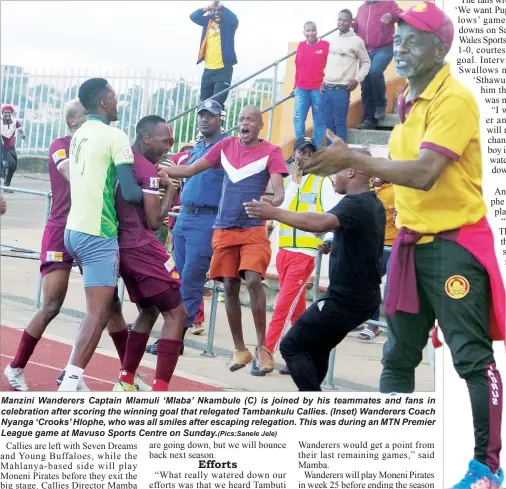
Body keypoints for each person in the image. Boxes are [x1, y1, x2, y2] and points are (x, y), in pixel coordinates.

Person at [302, 3, 504, 486]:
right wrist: (346, 162)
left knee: (471, 358)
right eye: (397, 37)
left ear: (441, 46)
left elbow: (424, 174)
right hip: (411, 247)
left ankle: (487, 469)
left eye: (413, 38)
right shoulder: (407, 102)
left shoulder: (453, 99)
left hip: (453, 246)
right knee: (397, 359)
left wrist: (358, 160)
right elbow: (399, 171)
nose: (400, 45)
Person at [163, 105, 288, 376]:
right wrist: (154, 171)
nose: (245, 123)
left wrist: (272, 203)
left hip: (253, 229)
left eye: (250, 120)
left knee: (253, 280)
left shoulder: (271, 152)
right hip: (223, 229)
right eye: (242, 119)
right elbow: (191, 170)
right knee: (229, 286)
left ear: (259, 126)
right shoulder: (226, 146)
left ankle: (263, 348)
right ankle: (239, 348)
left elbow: (279, 193)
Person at [245, 160, 385, 390]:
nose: (333, 177)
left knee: (291, 346)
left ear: (350, 171)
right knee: (316, 348)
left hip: (346, 300)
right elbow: (342, 228)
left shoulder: (356, 203)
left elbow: (321, 222)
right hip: (356, 298)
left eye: (337, 170)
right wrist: (332, 242)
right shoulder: (370, 202)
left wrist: (274, 213)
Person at [58, 78, 144, 392]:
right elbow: (133, 192)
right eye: (115, 96)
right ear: (105, 101)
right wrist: (162, 187)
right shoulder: (114, 136)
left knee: (110, 309)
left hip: (74, 230)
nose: (118, 101)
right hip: (99, 233)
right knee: (97, 313)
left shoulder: (79, 133)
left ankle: (126, 377)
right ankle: (69, 382)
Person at [113, 116, 187, 392]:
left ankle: (126, 380)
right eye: (165, 140)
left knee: (149, 310)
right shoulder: (148, 170)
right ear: (146, 138)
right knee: (177, 314)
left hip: (121, 248)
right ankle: (160, 391)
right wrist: (171, 189)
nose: (169, 146)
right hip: (142, 247)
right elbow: (155, 221)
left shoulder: (123, 160)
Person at [146, 100, 226, 356]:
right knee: (175, 277)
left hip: (206, 218)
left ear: (220, 119)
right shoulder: (200, 146)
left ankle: (174, 338)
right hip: (186, 216)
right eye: (202, 116)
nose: (204, 120)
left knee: (190, 280)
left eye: (210, 116)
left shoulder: (225, 146)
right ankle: (171, 334)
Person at [266, 136, 339, 375]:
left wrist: (327, 240)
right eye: (301, 152)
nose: (305, 157)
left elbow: (332, 213)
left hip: (305, 254)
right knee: (296, 312)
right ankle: (301, 356)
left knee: (282, 307)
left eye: (310, 153)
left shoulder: (323, 182)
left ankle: (266, 354)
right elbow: (283, 209)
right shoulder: (292, 183)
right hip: (285, 251)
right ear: (294, 155)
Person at [357, 176, 397, 341]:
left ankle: (374, 325)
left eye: (379, 174)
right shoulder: (372, 191)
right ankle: (361, 320)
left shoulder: (395, 191)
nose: (375, 177)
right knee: (365, 283)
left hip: (390, 246)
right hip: (373, 244)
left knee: (375, 284)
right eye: (373, 174)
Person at [353, 0, 402, 129]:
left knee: (374, 71)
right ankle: (369, 120)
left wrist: (392, 16)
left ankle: (381, 104)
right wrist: (353, 26)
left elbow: (401, 15)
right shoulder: (361, 8)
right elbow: (357, 27)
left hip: (384, 47)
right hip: (365, 50)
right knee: (365, 82)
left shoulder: (389, 3)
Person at [323, 9, 370, 143]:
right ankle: (330, 157)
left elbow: (366, 62)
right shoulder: (333, 39)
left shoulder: (356, 41)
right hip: (327, 88)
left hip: (342, 89)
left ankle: (340, 159)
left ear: (351, 22)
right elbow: (328, 62)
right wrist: (322, 80)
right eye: (339, 19)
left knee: (339, 124)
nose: (341, 22)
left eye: (345, 20)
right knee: (328, 125)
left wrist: (357, 79)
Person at [191, 1, 239, 106]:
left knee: (216, 104)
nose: (217, 13)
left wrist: (223, 7)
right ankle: (202, 123)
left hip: (223, 70)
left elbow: (235, 19)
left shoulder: (228, 26)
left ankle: (219, 122)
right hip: (208, 70)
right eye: (214, 11)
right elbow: (193, 16)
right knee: (204, 103)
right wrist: (208, 7)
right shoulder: (208, 22)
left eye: (219, 11)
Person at [293, 21, 329, 149]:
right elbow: (298, 66)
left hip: (318, 89)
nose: (310, 33)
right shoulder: (301, 45)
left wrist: (326, 81)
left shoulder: (325, 45)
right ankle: (301, 147)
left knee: (318, 121)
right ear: (304, 32)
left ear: (317, 31)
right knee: (298, 120)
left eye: (313, 30)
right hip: (301, 88)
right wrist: (295, 86)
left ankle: (316, 149)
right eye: (307, 30)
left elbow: (331, 66)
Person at [1, 104, 26, 189]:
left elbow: (19, 128)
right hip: (3, 147)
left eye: (9, 112)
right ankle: (6, 185)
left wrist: (22, 134)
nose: (7, 114)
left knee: (14, 166)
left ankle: (3, 173)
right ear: (2, 113)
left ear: (11, 113)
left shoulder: (15, 121)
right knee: (11, 164)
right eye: (5, 112)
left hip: (11, 146)